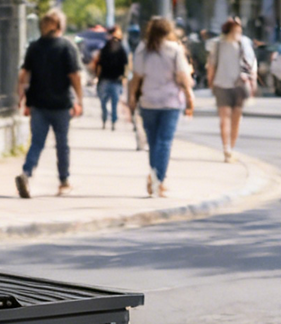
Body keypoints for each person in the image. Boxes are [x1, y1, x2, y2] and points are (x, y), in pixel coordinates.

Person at [14, 8, 83, 197]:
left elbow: (24, 74)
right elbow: (74, 76)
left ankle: (26, 174)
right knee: (62, 144)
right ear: (60, 26)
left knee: (36, 142)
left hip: (37, 104)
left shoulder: (34, 47)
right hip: (61, 104)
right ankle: (64, 181)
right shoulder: (67, 47)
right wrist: (79, 99)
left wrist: (21, 98)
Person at [127, 16, 195, 197]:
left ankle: (155, 176)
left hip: (148, 101)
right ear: (168, 31)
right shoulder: (174, 49)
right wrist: (189, 96)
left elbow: (136, 76)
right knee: (164, 142)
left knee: (154, 142)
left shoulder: (142, 48)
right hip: (170, 102)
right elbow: (182, 76)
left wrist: (132, 97)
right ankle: (158, 180)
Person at [206, 16, 257, 162]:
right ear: (228, 31)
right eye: (235, 30)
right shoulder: (218, 45)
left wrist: (252, 80)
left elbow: (251, 64)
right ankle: (226, 148)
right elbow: (211, 65)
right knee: (224, 118)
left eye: (239, 31)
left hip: (239, 86)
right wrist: (211, 82)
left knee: (236, 119)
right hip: (221, 85)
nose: (238, 33)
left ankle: (231, 149)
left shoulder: (243, 44)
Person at [91, 25, 130, 130]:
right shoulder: (110, 47)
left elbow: (125, 64)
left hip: (111, 79)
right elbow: (98, 63)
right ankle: (109, 120)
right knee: (110, 103)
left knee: (108, 103)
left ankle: (109, 120)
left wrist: (124, 77)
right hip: (110, 79)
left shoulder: (115, 47)